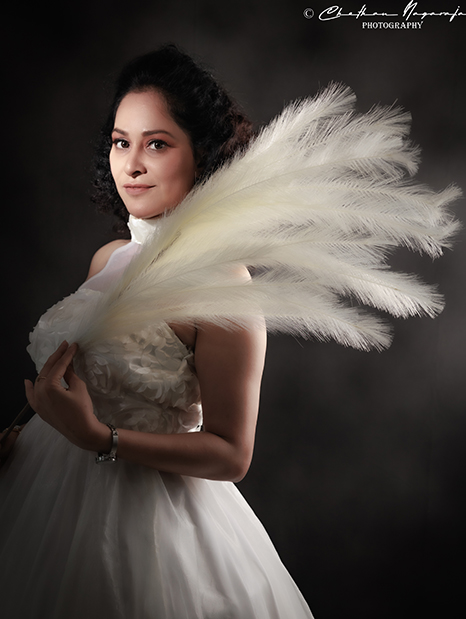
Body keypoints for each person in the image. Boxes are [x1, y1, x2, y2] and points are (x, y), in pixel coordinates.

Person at [0, 45, 315, 618]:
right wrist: (20, 434)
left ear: (204, 156)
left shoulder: (222, 282)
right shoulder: (109, 258)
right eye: (121, 142)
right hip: (41, 489)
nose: (132, 164)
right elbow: (84, 370)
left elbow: (232, 452)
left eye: (157, 144)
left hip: (148, 523)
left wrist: (102, 439)